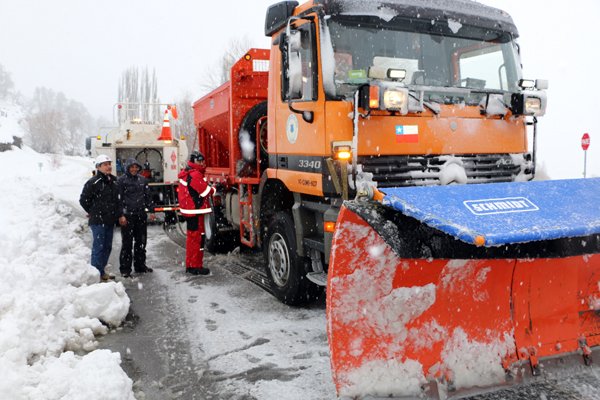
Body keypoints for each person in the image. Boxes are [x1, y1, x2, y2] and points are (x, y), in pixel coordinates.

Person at [79, 154, 122, 282]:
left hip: (110, 220)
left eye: (109, 164)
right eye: (105, 164)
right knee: (99, 246)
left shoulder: (114, 181)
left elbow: (118, 200)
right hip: (98, 221)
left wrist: (118, 214)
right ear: (98, 167)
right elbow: (83, 200)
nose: (108, 166)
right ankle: (95, 274)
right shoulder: (93, 182)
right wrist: (92, 211)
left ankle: (101, 271)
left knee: (107, 246)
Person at [177, 151, 215, 275]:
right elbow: (204, 192)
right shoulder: (195, 174)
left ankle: (191, 265)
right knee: (196, 240)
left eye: (203, 160)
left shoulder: (189, 172)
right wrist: (214, 189)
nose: (202, 163)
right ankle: (195, 266)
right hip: (194, 211)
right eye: (199, 160)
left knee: (194, 239)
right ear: (193, 161)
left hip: (191, 211)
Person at [117, 158, 155, 278]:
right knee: (127, 243)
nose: (134, 169)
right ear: (127, 168)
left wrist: (152, 210)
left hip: (140, 215)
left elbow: (148, 197)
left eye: (136, 167)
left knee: (141, 242)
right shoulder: (121, 181)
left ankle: (140, 266)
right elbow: (118, 200)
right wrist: (121, 215)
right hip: (127, 216)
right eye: (131, 167)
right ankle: (125, 269)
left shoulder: (143, 180)